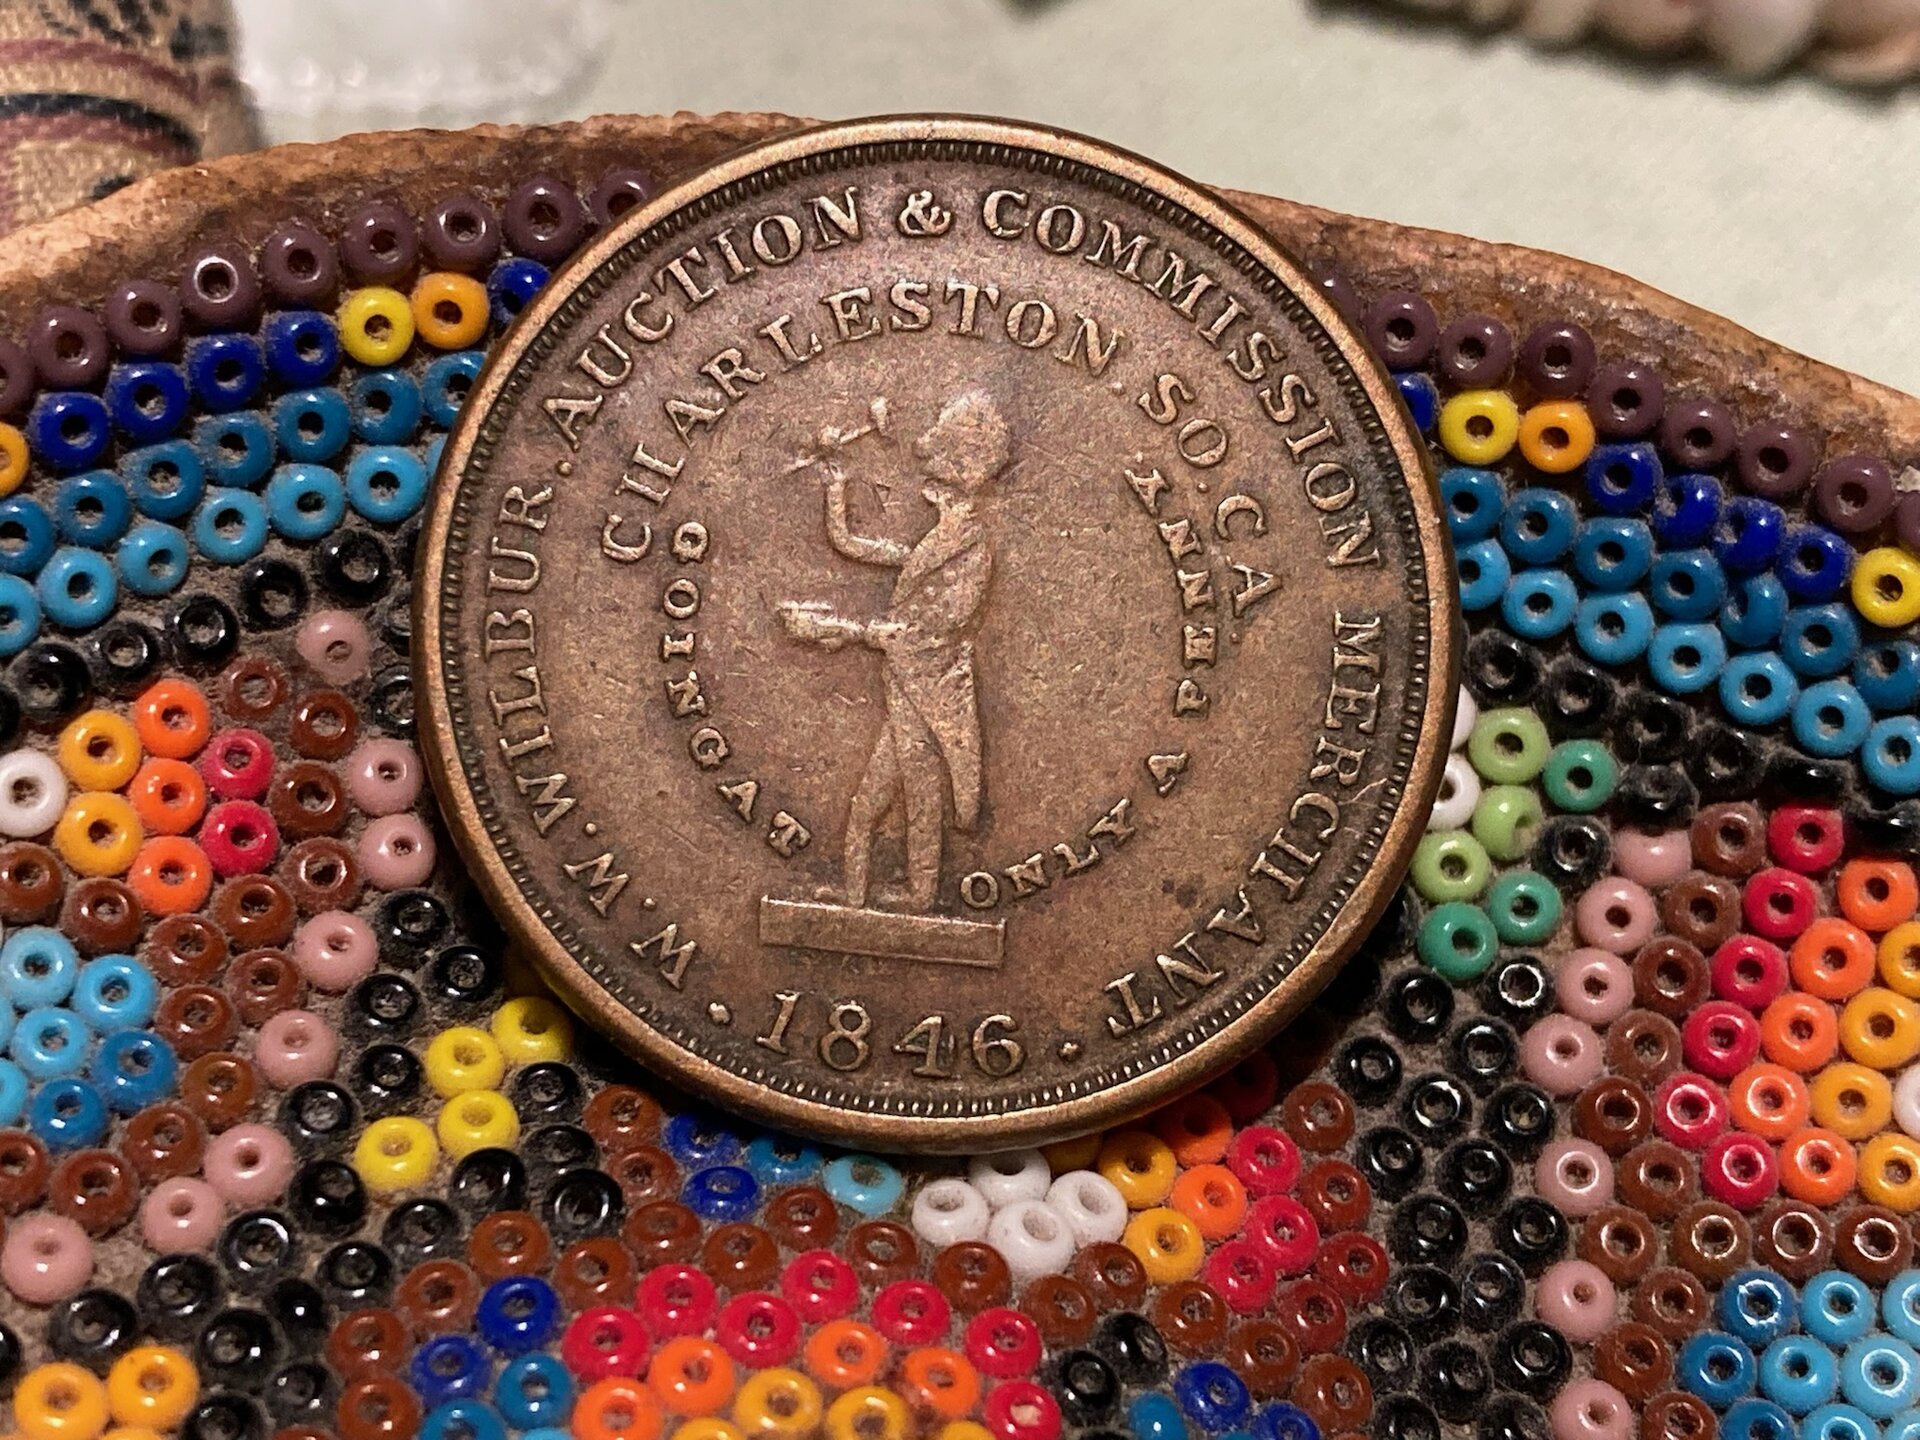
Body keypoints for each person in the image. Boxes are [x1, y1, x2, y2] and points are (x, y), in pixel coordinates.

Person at [779, 390, 1009, 909]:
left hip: (930, 698)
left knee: (911, 798)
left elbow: (933, 630)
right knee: (876, 804)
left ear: (961, 487)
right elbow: (852, 545)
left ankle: (912, 899)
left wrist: (834, 628)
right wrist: (836, 487)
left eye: (942, 486)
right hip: (906, 691)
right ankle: (858, 901)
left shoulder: (974, 550)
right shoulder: (931, 545)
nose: (929, 489)